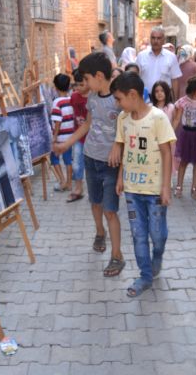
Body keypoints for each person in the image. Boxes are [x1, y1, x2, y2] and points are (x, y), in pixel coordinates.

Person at [53, 52, 125, 277]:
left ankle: (117, 256)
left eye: (86, 79)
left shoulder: (119, 100)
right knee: (95, 203)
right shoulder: (92, 99)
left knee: (110, 210)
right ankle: (99, 232)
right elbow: (87, 126)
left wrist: (118, 146)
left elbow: (127, 130)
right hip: (90, 158)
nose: (84, 84)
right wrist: (67, 144)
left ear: (99, 76)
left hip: (111, 164)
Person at [110, 72, 176, 297]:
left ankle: (157, 255)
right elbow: (125, 151)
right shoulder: (123, 119)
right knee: (138, 234)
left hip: (155, 190)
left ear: (132, 94)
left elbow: (167, 153)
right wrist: (120, 177)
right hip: (132, 190)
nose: (117, 104)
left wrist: (166, 187)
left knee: (157, 234)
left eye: (119, 99)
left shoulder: (158, 118)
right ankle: (145, 275)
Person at [135, 26, 182, 100]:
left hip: (164, 99)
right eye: (153, 38)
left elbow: (175, 80)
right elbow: (136, 77)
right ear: (150, 39)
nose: (155, 41)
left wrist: (176, 101)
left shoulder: (171, 57)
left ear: (164, 40)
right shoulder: (141, 56)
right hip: (145, 98)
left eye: (159, 38)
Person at [50, 73, 74, 192]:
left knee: (54, 159)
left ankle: (62, 181)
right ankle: (69, 183)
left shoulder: (57, 102)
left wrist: (54, 137)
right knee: (68, 160)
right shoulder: (71, 100)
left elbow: (57, 122)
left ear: (56, 87)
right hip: (70, 137)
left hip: (60, 138)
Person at [68, 69, 89, 203]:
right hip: (78, 136)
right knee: (76, 163)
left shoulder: (94, 97)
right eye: (77, 85)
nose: (79, 88)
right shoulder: (74, 97)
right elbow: (72, 115)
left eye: (82, 84)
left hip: (92, 138)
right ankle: (78, 188)